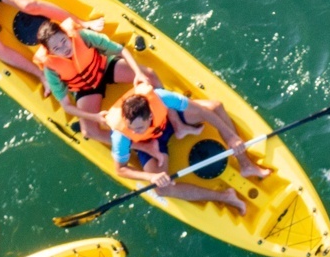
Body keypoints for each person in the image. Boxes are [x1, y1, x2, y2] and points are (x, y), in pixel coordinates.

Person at [104, 89, 249, 215]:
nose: (132, 132)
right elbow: (120, 169)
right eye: (130, 127)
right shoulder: (121, 136)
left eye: (138, 128)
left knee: (215, 107)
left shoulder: (161, 97)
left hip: (167, 123)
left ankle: (246, 165)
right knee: (162, 189)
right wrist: (150, 177)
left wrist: (230, 137)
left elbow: (201, 111)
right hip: (149, 143)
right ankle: (226, 196)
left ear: (150, 116)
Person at [31, 17, 150, 123]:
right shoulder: (50, 68)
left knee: (148, 74)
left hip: (103, 67)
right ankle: (140, 145)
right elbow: (66, 106)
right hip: (85, 88)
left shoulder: (82, 36)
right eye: (57, 48)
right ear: (50, 52)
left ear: (68, 35)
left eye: (64, 41)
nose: (64, 49)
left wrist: (138, 72)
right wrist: (95, 117)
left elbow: (120, 50)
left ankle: (167, 107)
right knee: (89, 131)